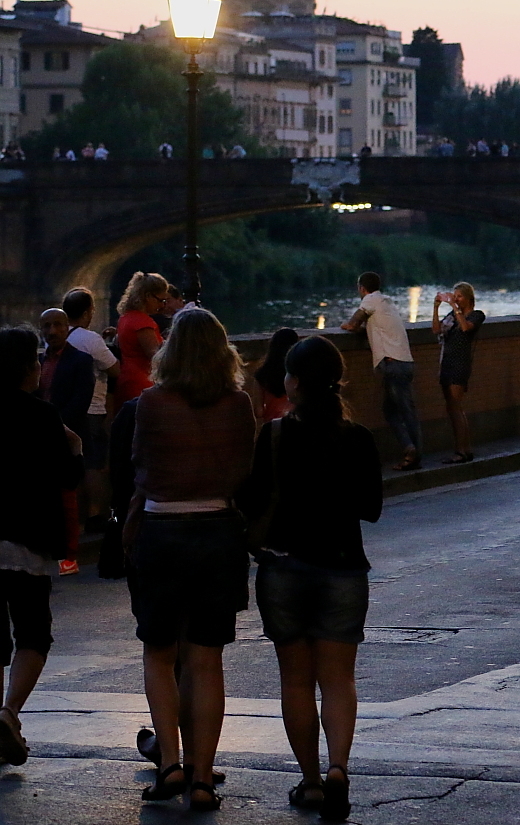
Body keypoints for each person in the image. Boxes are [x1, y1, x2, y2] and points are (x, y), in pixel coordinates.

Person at [241, 337, 381, 822]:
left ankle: (311, 781)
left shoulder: (275, 435)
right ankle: (339, 768)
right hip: (343, 566)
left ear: (294, 382)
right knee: (339, 679)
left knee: (296, 681)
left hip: (284, 568)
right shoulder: (358, 437)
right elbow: (372, 508)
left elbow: (252, 500)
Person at [125, 308, 255, 812]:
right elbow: (243, 470)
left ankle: (170, 765)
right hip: (219, 531)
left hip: (162, 530)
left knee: (159, 652)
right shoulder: (238, 403)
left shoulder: (151, 403)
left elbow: (140, 465)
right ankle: (204, 776)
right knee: (206, 658)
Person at [0, 325, 84, 766]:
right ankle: (9, 713)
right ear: (28, 368)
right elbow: (67, 479)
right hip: (27, 540)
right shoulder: (42, 416)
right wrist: (75, 446)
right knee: (33, 633)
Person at [341, 272, 421, 471]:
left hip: (393, 365)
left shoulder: (370, 300)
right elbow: (374, 328)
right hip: (405, 363)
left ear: (362, 288)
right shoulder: (386, 302)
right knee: (399, 411)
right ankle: (414, 452)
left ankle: (412, 451)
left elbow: (354, 322)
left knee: (400, 412)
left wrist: (348, 326)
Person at [38, 309, 92, 576]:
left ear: (66, 327)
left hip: (65, 436)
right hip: (38, 437)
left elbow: (80, 403)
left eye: (57, 325)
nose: (52, 331)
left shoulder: (80, 360)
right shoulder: (37, 360)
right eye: (47, 326)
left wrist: (53, 427)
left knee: (68, 499)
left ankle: (69, 557)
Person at [62, 288, 119, 532]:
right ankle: (97, 513)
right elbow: (115, 369)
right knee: (95, 464)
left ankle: (79, 515)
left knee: (75, 461)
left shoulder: (62, 336)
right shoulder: (91, 339)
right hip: (93, 408)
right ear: (88, 312)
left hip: (68, 407)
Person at [432, 283, 485, 464]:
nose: (456, 300)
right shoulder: (452, 316)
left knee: (456, 407)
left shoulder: (476, 315)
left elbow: (465, 328)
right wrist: (436, 307)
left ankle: (462, 451)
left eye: (459, 297)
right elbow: (436, 330)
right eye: (454, 297)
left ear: (469, 298)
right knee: (451, 407)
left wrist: (454, 307)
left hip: (460, 364)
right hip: (446, 362)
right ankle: (462, 449)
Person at [115, 272, 169, 402]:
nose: (162, 305)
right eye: (160, 300)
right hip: (141, 382)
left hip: (126, 379)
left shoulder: (126, 317)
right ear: (148, 296)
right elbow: (156, 356)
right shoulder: (143, 323)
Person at [254, 328, 300, 424]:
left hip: (272, 427)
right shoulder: (298, 373)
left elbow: (258, 412)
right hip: (296, 425)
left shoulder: (262, 375)